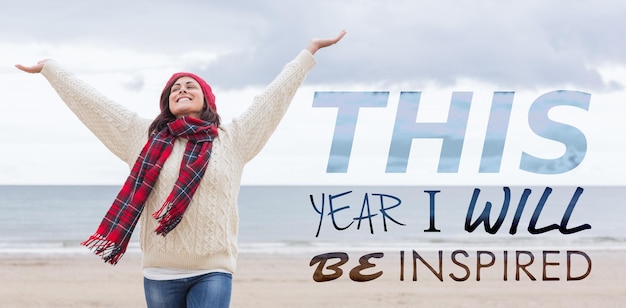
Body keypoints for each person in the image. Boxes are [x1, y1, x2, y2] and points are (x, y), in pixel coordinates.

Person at [16, 30, 346, 308]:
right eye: (175, 88)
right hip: (159, 272)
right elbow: (95, 105)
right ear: (167, 103)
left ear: (207, 101)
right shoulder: (141, 137)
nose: (181, 90)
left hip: (213, 269)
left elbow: (272, 100)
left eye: (190, 86)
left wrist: (309, 52)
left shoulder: (232, 140)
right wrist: (51, 69)